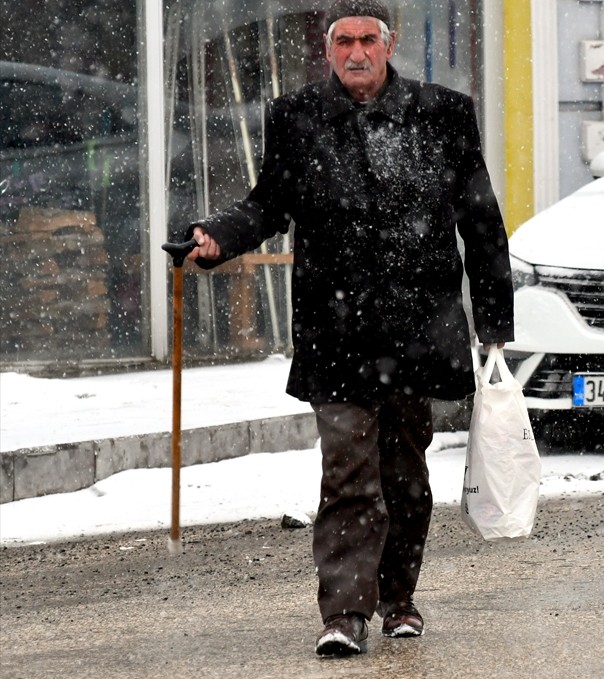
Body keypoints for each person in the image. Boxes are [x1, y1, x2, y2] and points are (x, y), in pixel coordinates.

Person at [182, 0, 513, 657]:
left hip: (418, 328)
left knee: (406, 476)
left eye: (367, 40)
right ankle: (344, 612)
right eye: (343, 42)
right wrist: (219, 236)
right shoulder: (298, 118)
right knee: (347, 472)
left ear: (388, 46)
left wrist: (495, 324)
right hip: (336, 331)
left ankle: (399, 598)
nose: (356, 53)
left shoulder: (442, 115)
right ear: (328, 50)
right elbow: (268, 204)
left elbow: (481, 221)